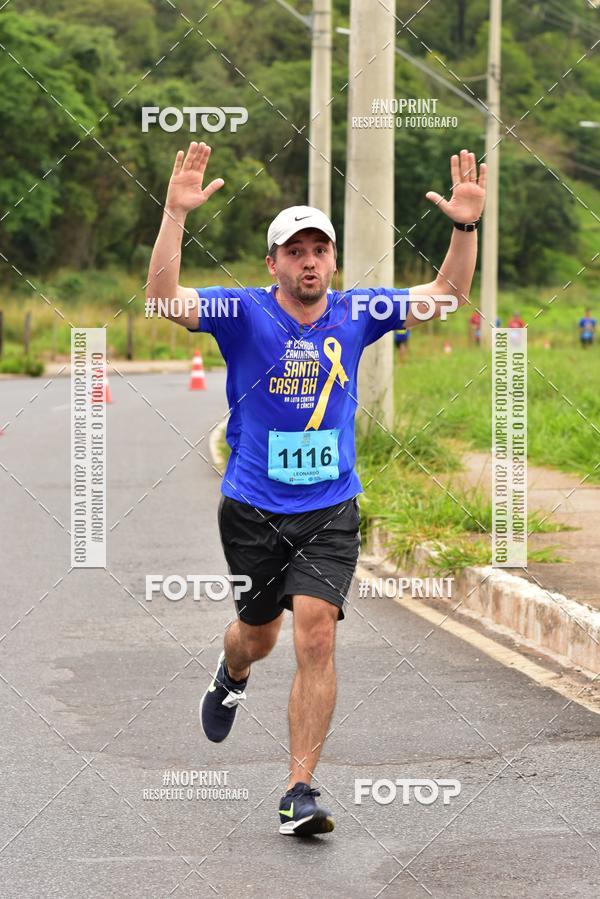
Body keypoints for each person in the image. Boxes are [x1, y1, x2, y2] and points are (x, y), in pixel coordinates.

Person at [146, 142, 486, 837]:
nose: (308, 261)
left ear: (331, 259)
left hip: (330, 506)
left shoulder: (358, 310)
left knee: (316, 634)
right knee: (259, 635)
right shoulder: (242, 312)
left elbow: (446, 297)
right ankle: (230, 671)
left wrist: (464, 227)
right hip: (252, 506)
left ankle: (299, 788)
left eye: (318, 250)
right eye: (293, 250)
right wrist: (175, 216)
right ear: (273, 262)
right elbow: (160, 300)